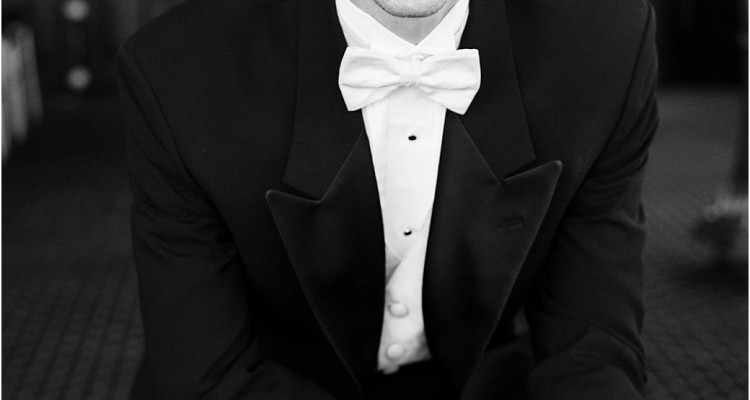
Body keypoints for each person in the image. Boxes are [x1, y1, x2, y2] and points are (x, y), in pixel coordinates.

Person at [117, 0, 658, 398]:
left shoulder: (606, 45)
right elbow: (207, 375)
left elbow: (591, 345)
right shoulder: (178, 69)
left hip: (487, 377)